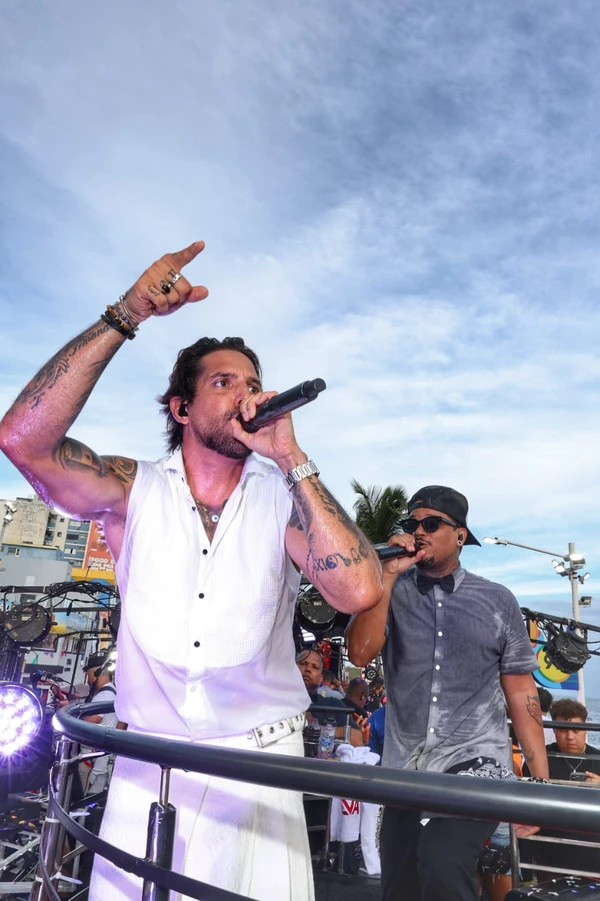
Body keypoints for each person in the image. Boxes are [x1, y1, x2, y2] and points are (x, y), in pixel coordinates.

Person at [0, 242, 383, 901]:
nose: (244, 395)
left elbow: (357, 588)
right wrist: (129, 311)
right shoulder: (131, 488)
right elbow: (21, 441)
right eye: (222, 382)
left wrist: (291, 456)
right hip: (152, 764)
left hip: (260, 767)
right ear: (181, 408)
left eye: (250, 383)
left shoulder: (280, 497)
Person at [345, 484, 549, 901]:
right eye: (412, 523)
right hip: (407, 768)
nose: (418, 531)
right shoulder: (390, 590)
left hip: (476, 763)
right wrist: (384, 576)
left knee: (441, 858)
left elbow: (521, 692)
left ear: (460, 535)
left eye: (431, 523)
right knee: (398, 884)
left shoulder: (496, 600)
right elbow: (360, 652)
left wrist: (539, 783)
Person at [522, 698, 600, 878]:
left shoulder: (598, 758)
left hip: (592, 847)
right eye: (563, 730)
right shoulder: (540, 759)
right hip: (551, 848)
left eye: (576, 730)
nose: (570, 737)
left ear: (586, 728)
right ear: (555, 730)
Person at [296, 649, 365, 746]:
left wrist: (320, 730)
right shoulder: (276, 699)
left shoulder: (334, 704)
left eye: (315, 667)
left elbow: (356, 738)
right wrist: (339, 732)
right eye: (303, 663)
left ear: (321, 679)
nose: (308, 669)